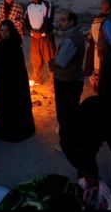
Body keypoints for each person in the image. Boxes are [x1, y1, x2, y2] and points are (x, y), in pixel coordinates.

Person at [68, 95, 111, 192]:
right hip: (91, 117)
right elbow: (72, 147)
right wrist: (84, 170)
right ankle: (88, 184)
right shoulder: (80, 125)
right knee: (86, 155)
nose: (100, 145)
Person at [0, 19, 35, 142]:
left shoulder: (9, 46)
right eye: (2, 30)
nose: (3, 33)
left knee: (11, 105)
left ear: (11, 31)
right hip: (12, 82)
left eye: (6, 31)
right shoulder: (12, 44)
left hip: (11, 83)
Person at [49, 11, 85, 163]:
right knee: (71, 111)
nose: (60, 23)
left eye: (63, 20)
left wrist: (52, 64)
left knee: (65, 114)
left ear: (71, 21)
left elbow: (61, 62)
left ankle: (66, 144)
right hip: (73, 79)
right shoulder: (77, 36)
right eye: (60, 20)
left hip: (66, 81)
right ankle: (73, 140)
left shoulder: (71, 40)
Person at [24, 0, 55, 85]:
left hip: (46, 37)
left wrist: (40, 31)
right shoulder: (29, 5)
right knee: (35, 59)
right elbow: (26, 20)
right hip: (34, 38)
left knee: (50, 58)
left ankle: (54, 80)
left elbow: (48, 20)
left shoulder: (47, 3)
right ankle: (37, 79)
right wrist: (31, 31)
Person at [83, 13, 106, 93]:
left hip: (97, 50)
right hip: (105, 51)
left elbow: (90, 41)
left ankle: (98, 86)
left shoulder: (95, 24)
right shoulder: (106, 24)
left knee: (98, 70)